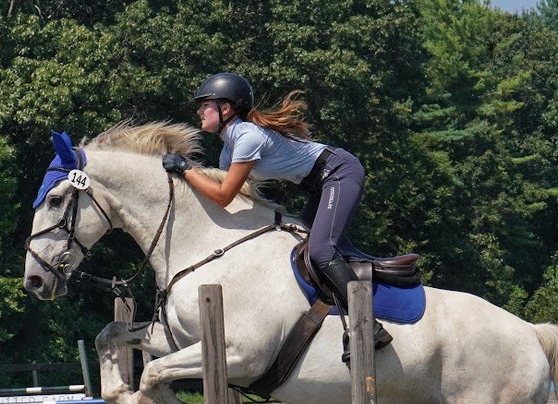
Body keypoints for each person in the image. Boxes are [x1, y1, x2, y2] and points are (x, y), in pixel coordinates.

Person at [162, 72, 392, 364]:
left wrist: (186, 168)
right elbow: (223, 198)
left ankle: (369, 326)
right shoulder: (228, 151)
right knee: (303, 246)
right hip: (319, 184)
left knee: (321, 250)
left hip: (339, 173)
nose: (199, 111)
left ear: (226, 108)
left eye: (205, 105)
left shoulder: (248, 137)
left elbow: (223, 196)